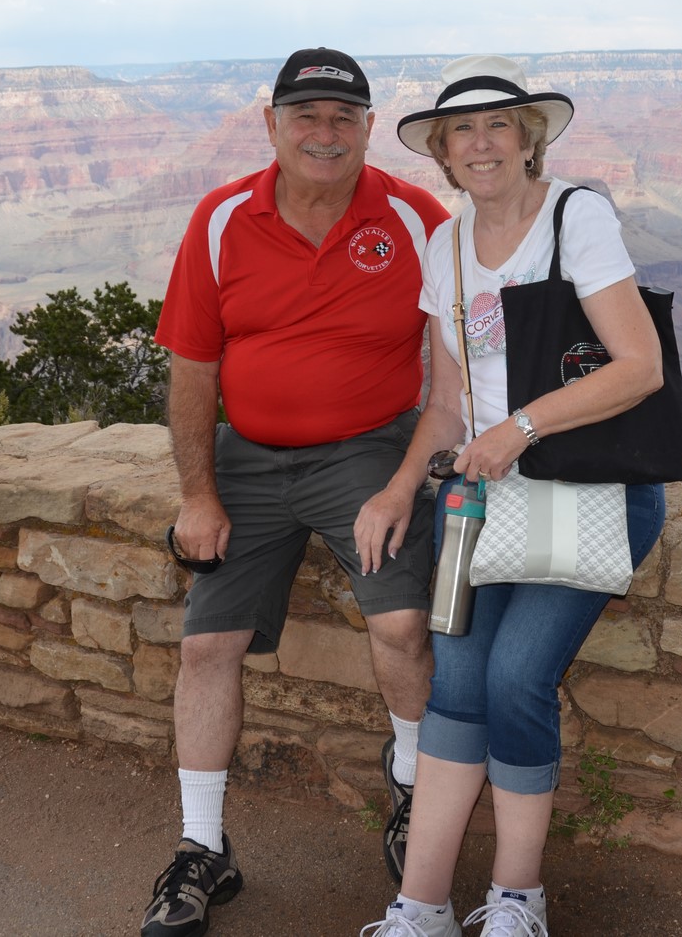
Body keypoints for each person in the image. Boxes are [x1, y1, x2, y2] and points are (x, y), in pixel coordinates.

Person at [354, 55, 668, 937]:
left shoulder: (577, 217)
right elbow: (448, 403)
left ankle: (517, 900)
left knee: (518, 678)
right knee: (457, 681)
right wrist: (397, 487)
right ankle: (420, 910)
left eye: (499, 127)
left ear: (528, 140)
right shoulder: (445, 245)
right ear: (444, 156)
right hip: (491, 502)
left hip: (593, 493)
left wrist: (518, 430)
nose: (482, 144)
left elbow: (639, 368)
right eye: (463, 132)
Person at [143, 48, 451, 937]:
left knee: (399, 624)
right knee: (208, 647)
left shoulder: (412, 215)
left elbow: (460, 357)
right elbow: (194, 370)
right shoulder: (222, 218)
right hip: (248, 458)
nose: (325, 133)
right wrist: (198, 496)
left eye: (343, 117)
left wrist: (412, 475)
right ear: (270, 121)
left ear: (366, 126)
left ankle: (412, 791)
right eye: (306, 115)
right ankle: (203, 849)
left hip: (367, 453)